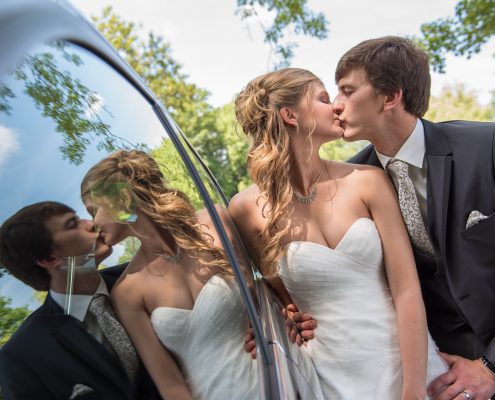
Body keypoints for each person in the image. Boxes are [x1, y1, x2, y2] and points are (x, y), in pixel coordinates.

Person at [230, 67, 448, 399]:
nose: (336, 106)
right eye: (322, 98)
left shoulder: (368, 180)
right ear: (290, 115)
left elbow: (406, 290)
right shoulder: (245, 210)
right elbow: (282, 299)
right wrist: (288, 318)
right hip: (332, 379)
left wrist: (414, 388)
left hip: (410, 365)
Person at [334, 36, 495, 400]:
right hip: (442, 375)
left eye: (347, 91)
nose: (335, 105)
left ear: (391, 97)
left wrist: (490, 366)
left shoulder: (485, 147)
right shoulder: (351, 182)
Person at [80, 149, 258, 400]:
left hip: (274, 369)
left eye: (92, 210)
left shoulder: (215, 220)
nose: (92, 224)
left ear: (119, 198)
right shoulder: (127, 292)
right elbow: (171, 386)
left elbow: (259, 298)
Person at [0, 201, 160, 400]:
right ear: (49, 259)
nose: (92, 223)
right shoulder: (22, 356)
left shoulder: (147, 272)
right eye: (72, 224)